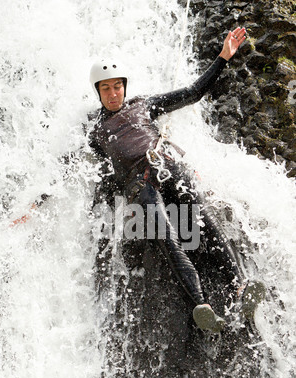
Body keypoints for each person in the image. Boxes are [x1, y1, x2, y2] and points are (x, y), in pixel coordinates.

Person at [88, 27, 266, 333]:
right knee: (170, 242)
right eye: (107, 89)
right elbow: (89, 173)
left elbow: (192, 92)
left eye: (118, 87)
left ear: (124, 87)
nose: (114, 93)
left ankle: (240, 287)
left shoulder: (143, 105)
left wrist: (223, 56)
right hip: (140, 186)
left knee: (205, 220)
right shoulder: (94, 131)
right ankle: (202, 306)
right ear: (98, 92)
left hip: (169, 167)